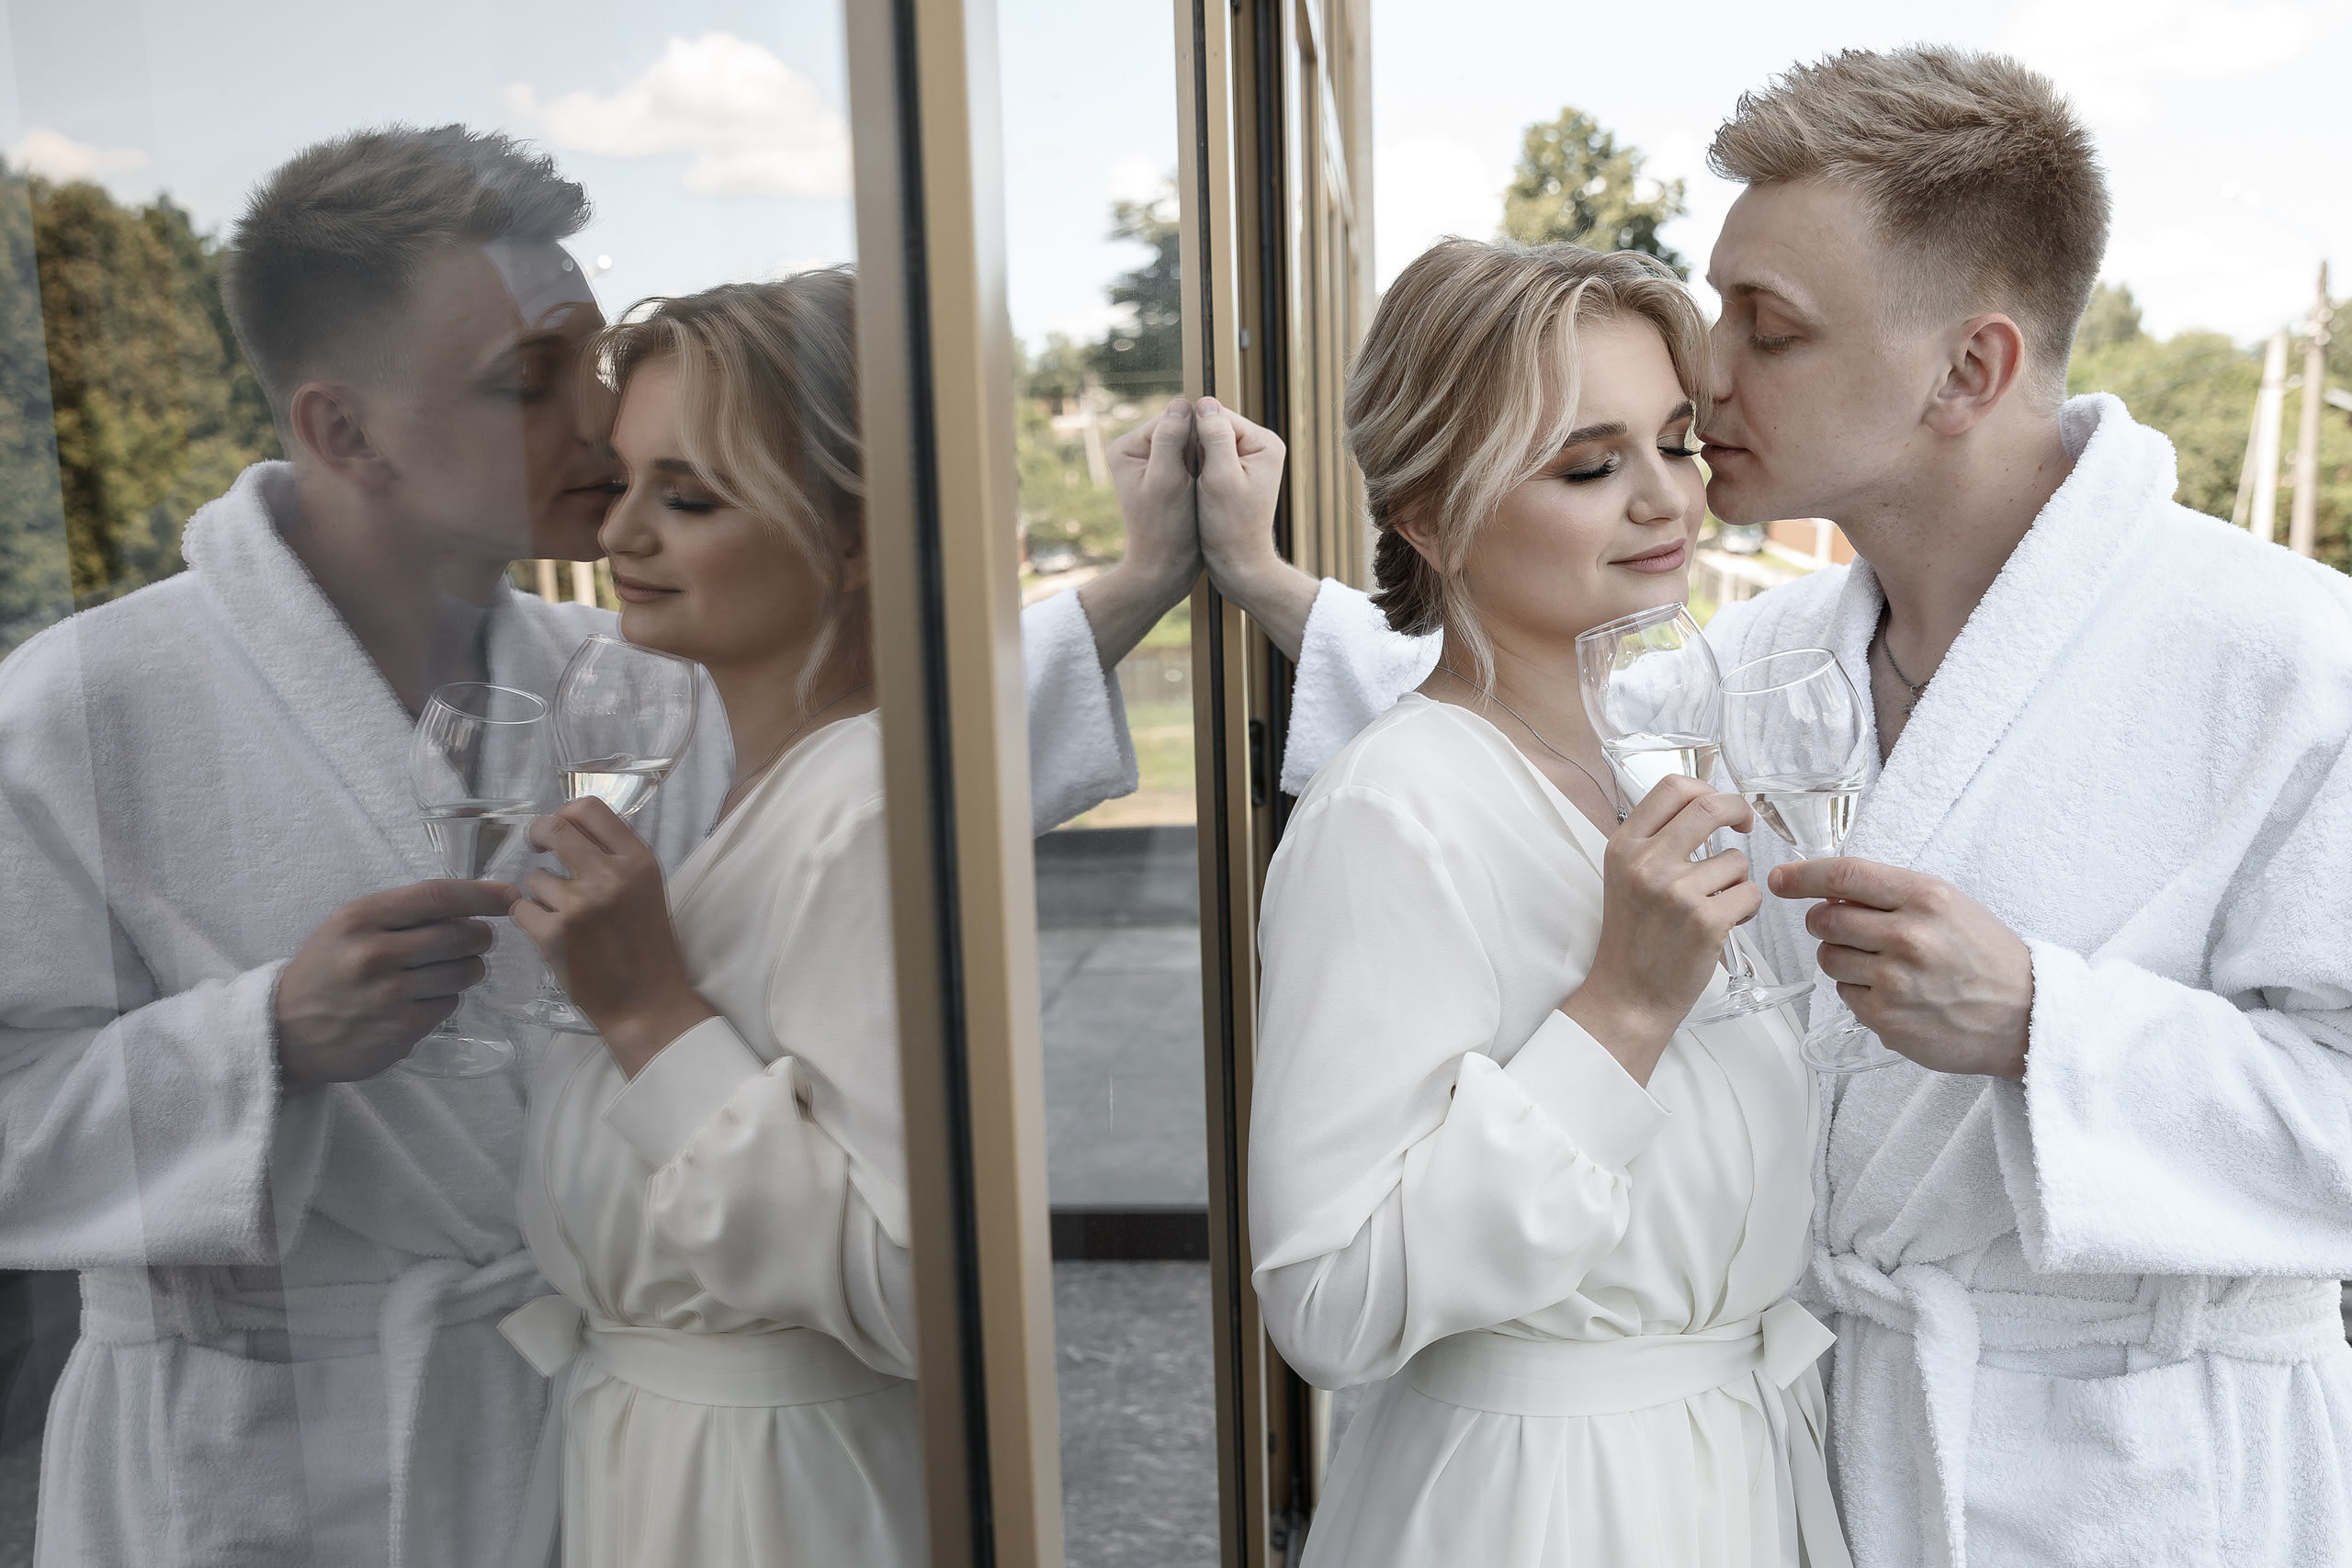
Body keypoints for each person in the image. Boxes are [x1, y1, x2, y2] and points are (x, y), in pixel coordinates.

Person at [0, 125, 1211, 1567]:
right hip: (252, 1461)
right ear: (342, 431)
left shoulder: (623, 676)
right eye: (528, 381)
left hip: (577, 1434)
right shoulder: (87, 709)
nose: (592, 423)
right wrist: (262, 1041)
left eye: (588, 361)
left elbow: (879, 729)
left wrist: (1145, 578)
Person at [1222, 49, 2352, 1568]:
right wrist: (1261, 578)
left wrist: (2046, 1028)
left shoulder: (2286, 661)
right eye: (1716, 319)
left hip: (2137, 1476)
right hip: (1806, 1466)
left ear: (1970, 368)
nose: (1711, 383)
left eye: (1769, 331)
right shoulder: (1745, 672)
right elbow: (1483, 707)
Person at [1250, 241, 1846, 1568]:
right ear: (1428, 514)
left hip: (1740, 1475)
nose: (1664, 501)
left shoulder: (1667, 762)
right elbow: (1324, 1303)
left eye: (1678, 444)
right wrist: (1619, 1010)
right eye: (1590, 465)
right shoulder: (1390, 814)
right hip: (1536, 1512)